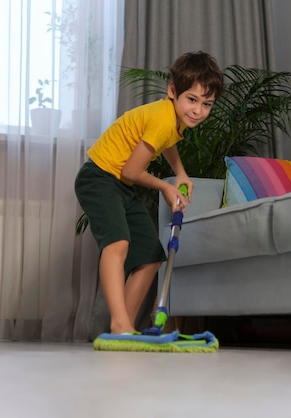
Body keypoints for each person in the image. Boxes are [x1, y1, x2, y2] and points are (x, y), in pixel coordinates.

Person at [75, 51, 224, 335]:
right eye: (192, 100)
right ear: (172, 91)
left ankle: (123, 328)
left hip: (119, 184)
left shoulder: (171, 119)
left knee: (151, 254)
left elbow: (167, 142)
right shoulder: (162, 119)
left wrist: (180, 172)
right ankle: (120, 324)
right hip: (98, 178)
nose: (198, 111)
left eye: (207, 104)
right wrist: (167, 186)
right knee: (118, 244)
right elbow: (132, 172)